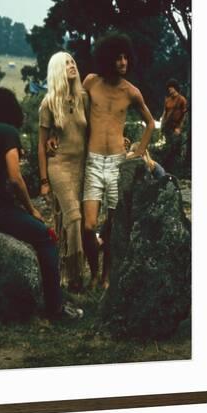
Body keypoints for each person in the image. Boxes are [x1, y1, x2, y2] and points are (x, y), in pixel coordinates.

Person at [0, 87, 83, 320]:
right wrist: (32, 210)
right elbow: (16, 178)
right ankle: (55, 308)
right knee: (46, 237)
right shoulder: (7, 132)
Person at [82, 32, 155, 289]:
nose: (123, 62)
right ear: (107, 58)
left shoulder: (132, 92)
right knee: (89, 226)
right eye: (118, 57)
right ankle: (92, 271)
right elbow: (74, 113)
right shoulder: (90, 82)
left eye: (126, 57)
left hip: (116, 163)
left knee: (112, 228)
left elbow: (150, 124)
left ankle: (105, 277)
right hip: (92, 161)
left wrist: (137, 152)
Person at [38, 52, 89, 292]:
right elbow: (41, 145)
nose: (72, 65)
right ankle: (75, 277)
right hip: (58, 166)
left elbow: (94, 130)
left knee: (68, 222)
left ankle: (63, 271)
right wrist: (44, 180)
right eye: (66, 63)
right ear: (57, 69)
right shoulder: (48, 103)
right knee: (74, 218)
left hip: (81, 166)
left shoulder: (83, 98)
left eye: (73, 61)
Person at [160, 78, 188, 172]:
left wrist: (179, 128)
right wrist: (162, 123)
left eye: (171, 88)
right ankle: (167, 169)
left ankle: (175, 169)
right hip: (167, 127)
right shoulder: (167, 100)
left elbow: (185, 115)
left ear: (175, 88)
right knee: (167, 147)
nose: (170, 90)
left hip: (176, 127)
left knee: (175, 149)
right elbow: (165, 112)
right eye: (169, 88)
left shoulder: (181, 99)